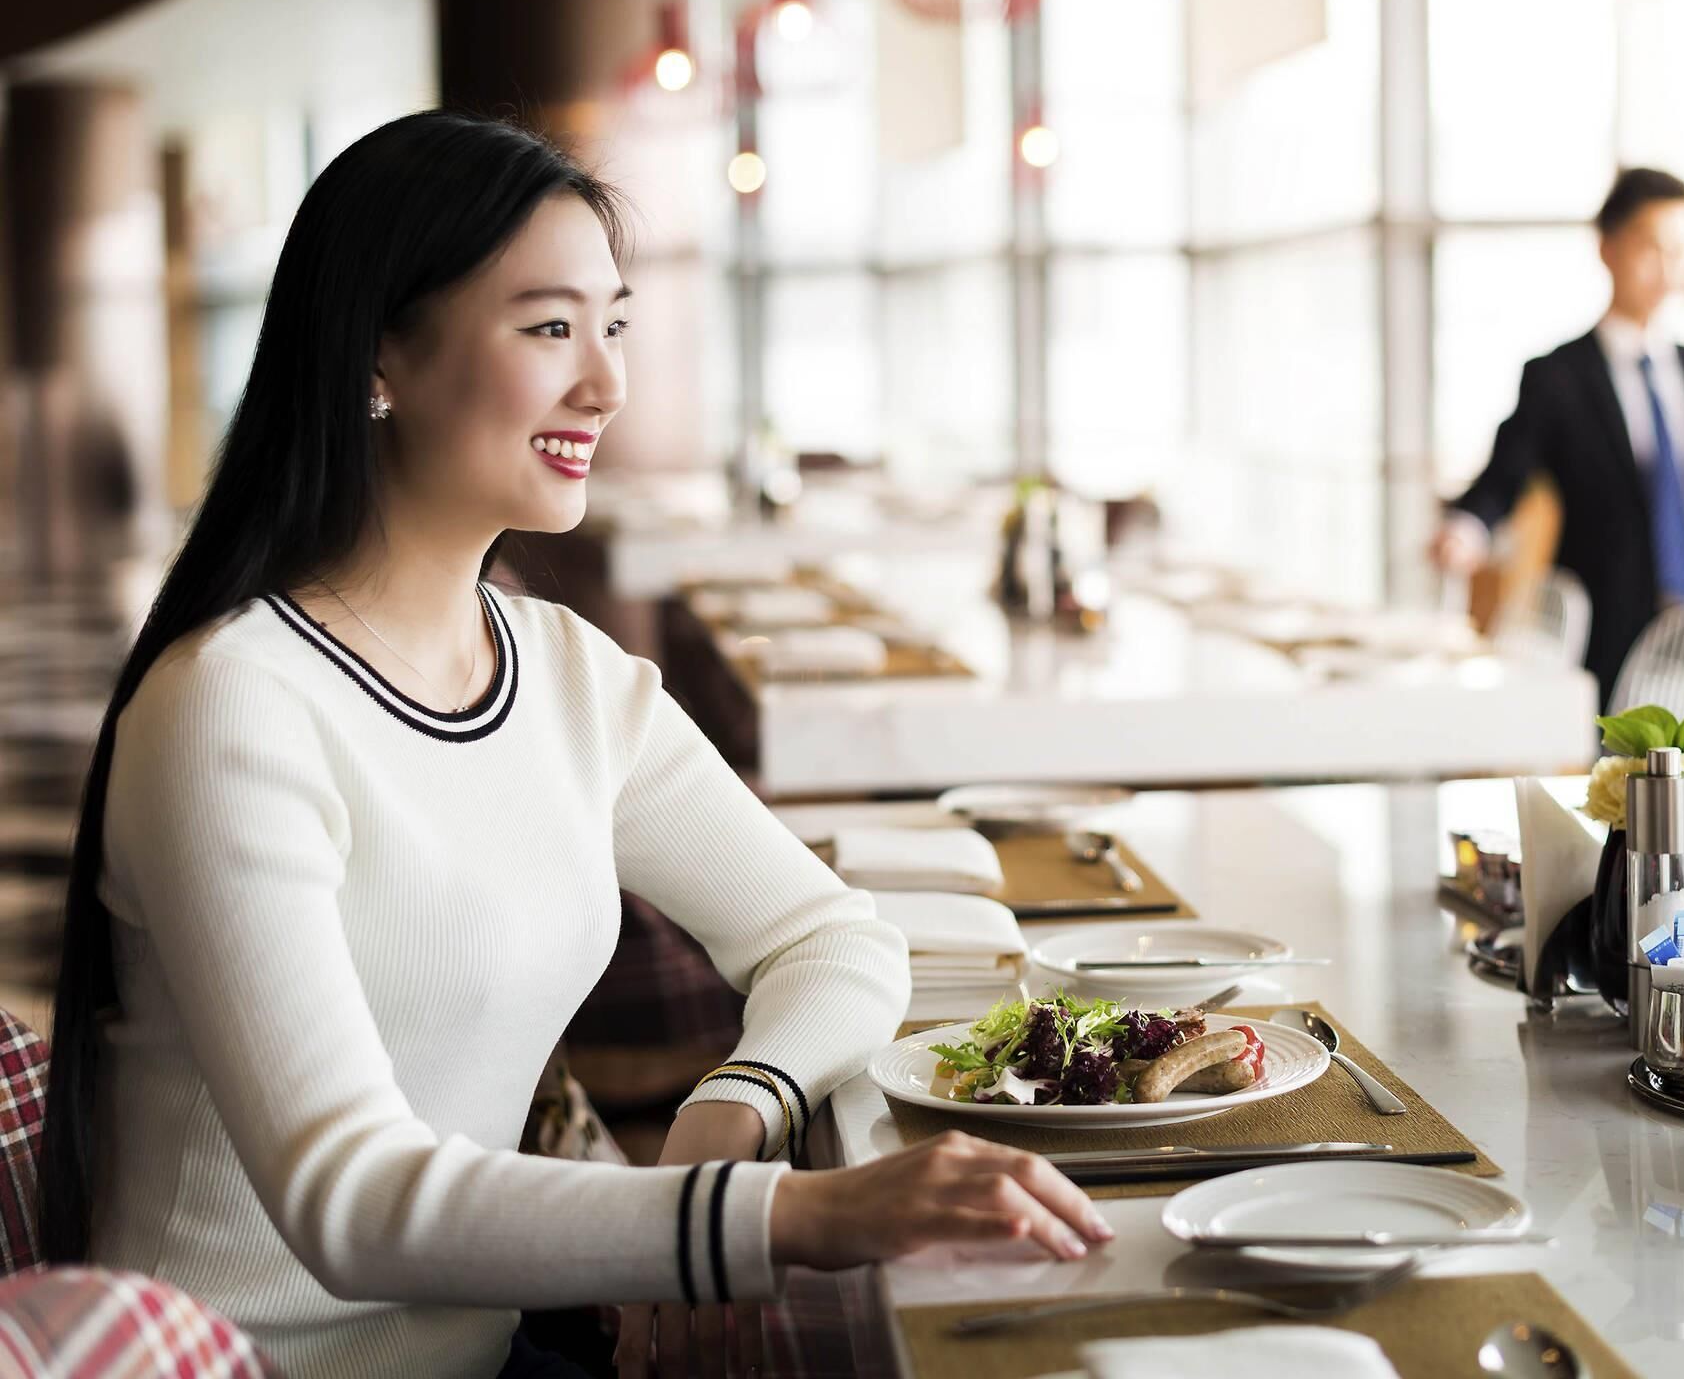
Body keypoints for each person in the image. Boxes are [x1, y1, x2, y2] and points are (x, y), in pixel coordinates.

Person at [36, 112, 1111, 1379]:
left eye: (614, 326)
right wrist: (797, 1212)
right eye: (549, 328)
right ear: (379, 351)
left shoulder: (561, 674)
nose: (604, 385)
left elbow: (832, 936)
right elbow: (347, 1200)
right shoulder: (232, 703)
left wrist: (738, 1106)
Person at [1431, 167, 1684, 705]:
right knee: (1613, 781)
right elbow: (1506, 474)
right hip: (1609, 624)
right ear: (1608, 249)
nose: (1667, 269)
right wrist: (1467, 529)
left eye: (1681, 252)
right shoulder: (1558, 376)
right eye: (1651, 248)